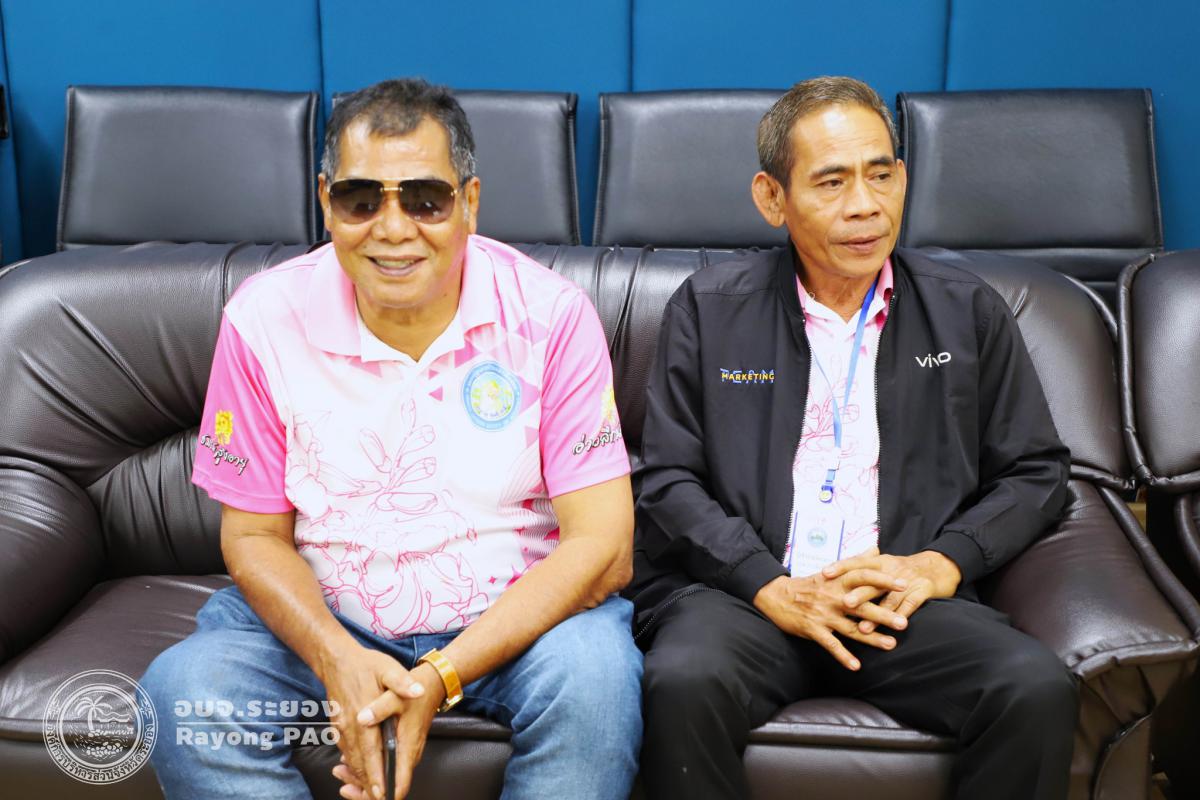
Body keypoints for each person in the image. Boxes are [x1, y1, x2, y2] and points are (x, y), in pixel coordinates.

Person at [142, 78, 642, 800]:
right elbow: (251, 536)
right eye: (361, 200)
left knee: (595, 683)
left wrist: (441, 674)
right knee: (183, 692)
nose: (394, 227)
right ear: (326, 202)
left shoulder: (551, 315)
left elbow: (604, 546)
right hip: (325, 619)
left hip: (516, 627)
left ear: (469, 202)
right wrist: (336, 657)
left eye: (426, 200)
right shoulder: (262, 319)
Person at [630, 76, 1077, 800]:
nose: (865, 205)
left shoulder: (966, 311)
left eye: (881, 175)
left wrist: (940, 564)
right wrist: (765, 583)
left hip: (900, 603)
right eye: (832, 182)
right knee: (682, 680)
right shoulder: (710, 309)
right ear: (772, 198)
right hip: (749, 596)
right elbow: (668, 480)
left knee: (1033, 687)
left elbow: (1036, 471)